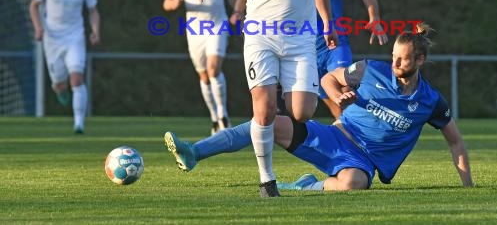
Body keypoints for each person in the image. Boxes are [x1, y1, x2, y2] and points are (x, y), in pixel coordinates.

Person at [163, 23, 474, 192]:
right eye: (393, 55)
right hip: (335, 138)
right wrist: (338, 97)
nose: (394, 63)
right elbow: (328, 79)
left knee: (352, 184)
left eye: (402, 59)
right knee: (267, 121)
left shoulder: (431, 101)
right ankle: (194, 152)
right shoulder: (371, 70)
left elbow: (456, 142)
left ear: (419, 61)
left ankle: (304, 187)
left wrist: (467, 188)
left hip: (363, 164)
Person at [179, 0, 338, 198]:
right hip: (261, 35)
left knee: (302, 112)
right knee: (264, 110)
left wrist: (328, 21)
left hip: (301, 38)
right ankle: (268, 181)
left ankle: (212, 146)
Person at [231, 0, 389, 119]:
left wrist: (374, 18)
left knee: (344, 88)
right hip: (304, 52)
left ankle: (378, 123)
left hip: (334, 45)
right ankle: (354, 135)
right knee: (337, 110)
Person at [163, 0, 238, 135]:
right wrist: (175, 2)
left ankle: (223, 116)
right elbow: (167, 2)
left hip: (217, 26)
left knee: (214, 69)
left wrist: (239, 12)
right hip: (195, 31)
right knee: (204, 76)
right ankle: (214, 118)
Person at [29, 0, 100, 134]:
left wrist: (95, 31)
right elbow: (34, 6)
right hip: (52, 39)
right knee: (60, 84)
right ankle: (60, 90)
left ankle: (79, 123)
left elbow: (93, 11)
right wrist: (38, 27)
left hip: (75, 36)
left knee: (77, 77)